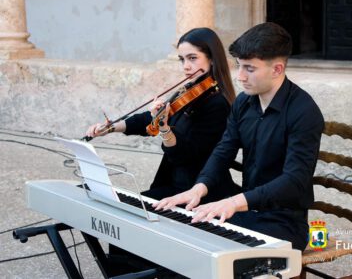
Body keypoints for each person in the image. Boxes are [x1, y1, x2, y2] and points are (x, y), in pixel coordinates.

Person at [154, 22, 325, 251]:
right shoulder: (244, 103)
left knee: (200, 240)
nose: (240, 77)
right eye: (238, 66)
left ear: (277, 69)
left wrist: (233, 203)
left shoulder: (304, 112)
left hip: (284, 222)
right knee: (176, 227)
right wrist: (199, 188)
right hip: (249, 208)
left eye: (249, 69)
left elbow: (294, 181)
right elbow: (224, 150)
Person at [86, 27, 238, 202]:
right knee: (99, 201)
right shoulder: (190, 91)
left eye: (193, 58)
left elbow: (187, 154)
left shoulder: (217, 103)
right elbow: (148, 119)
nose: (186, 66)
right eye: (182, 59)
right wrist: (111, 127)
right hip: (173, 183)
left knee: (115, 208)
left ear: (212, 59)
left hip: (198, 193)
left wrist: (164, 129)